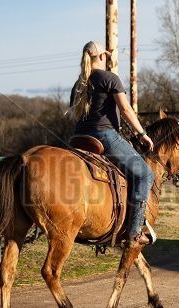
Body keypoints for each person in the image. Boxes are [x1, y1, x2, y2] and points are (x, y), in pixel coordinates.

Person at [68, 41, 155, 246]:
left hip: (78, 138)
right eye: (106, 55)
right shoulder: (109, 78)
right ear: (100, 56)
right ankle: (134, 232)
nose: (107, 57)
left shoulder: (78, 84)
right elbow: (125, 110)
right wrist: (142, 134)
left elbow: (73, 117)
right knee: (144, 174)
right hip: (104, 136)